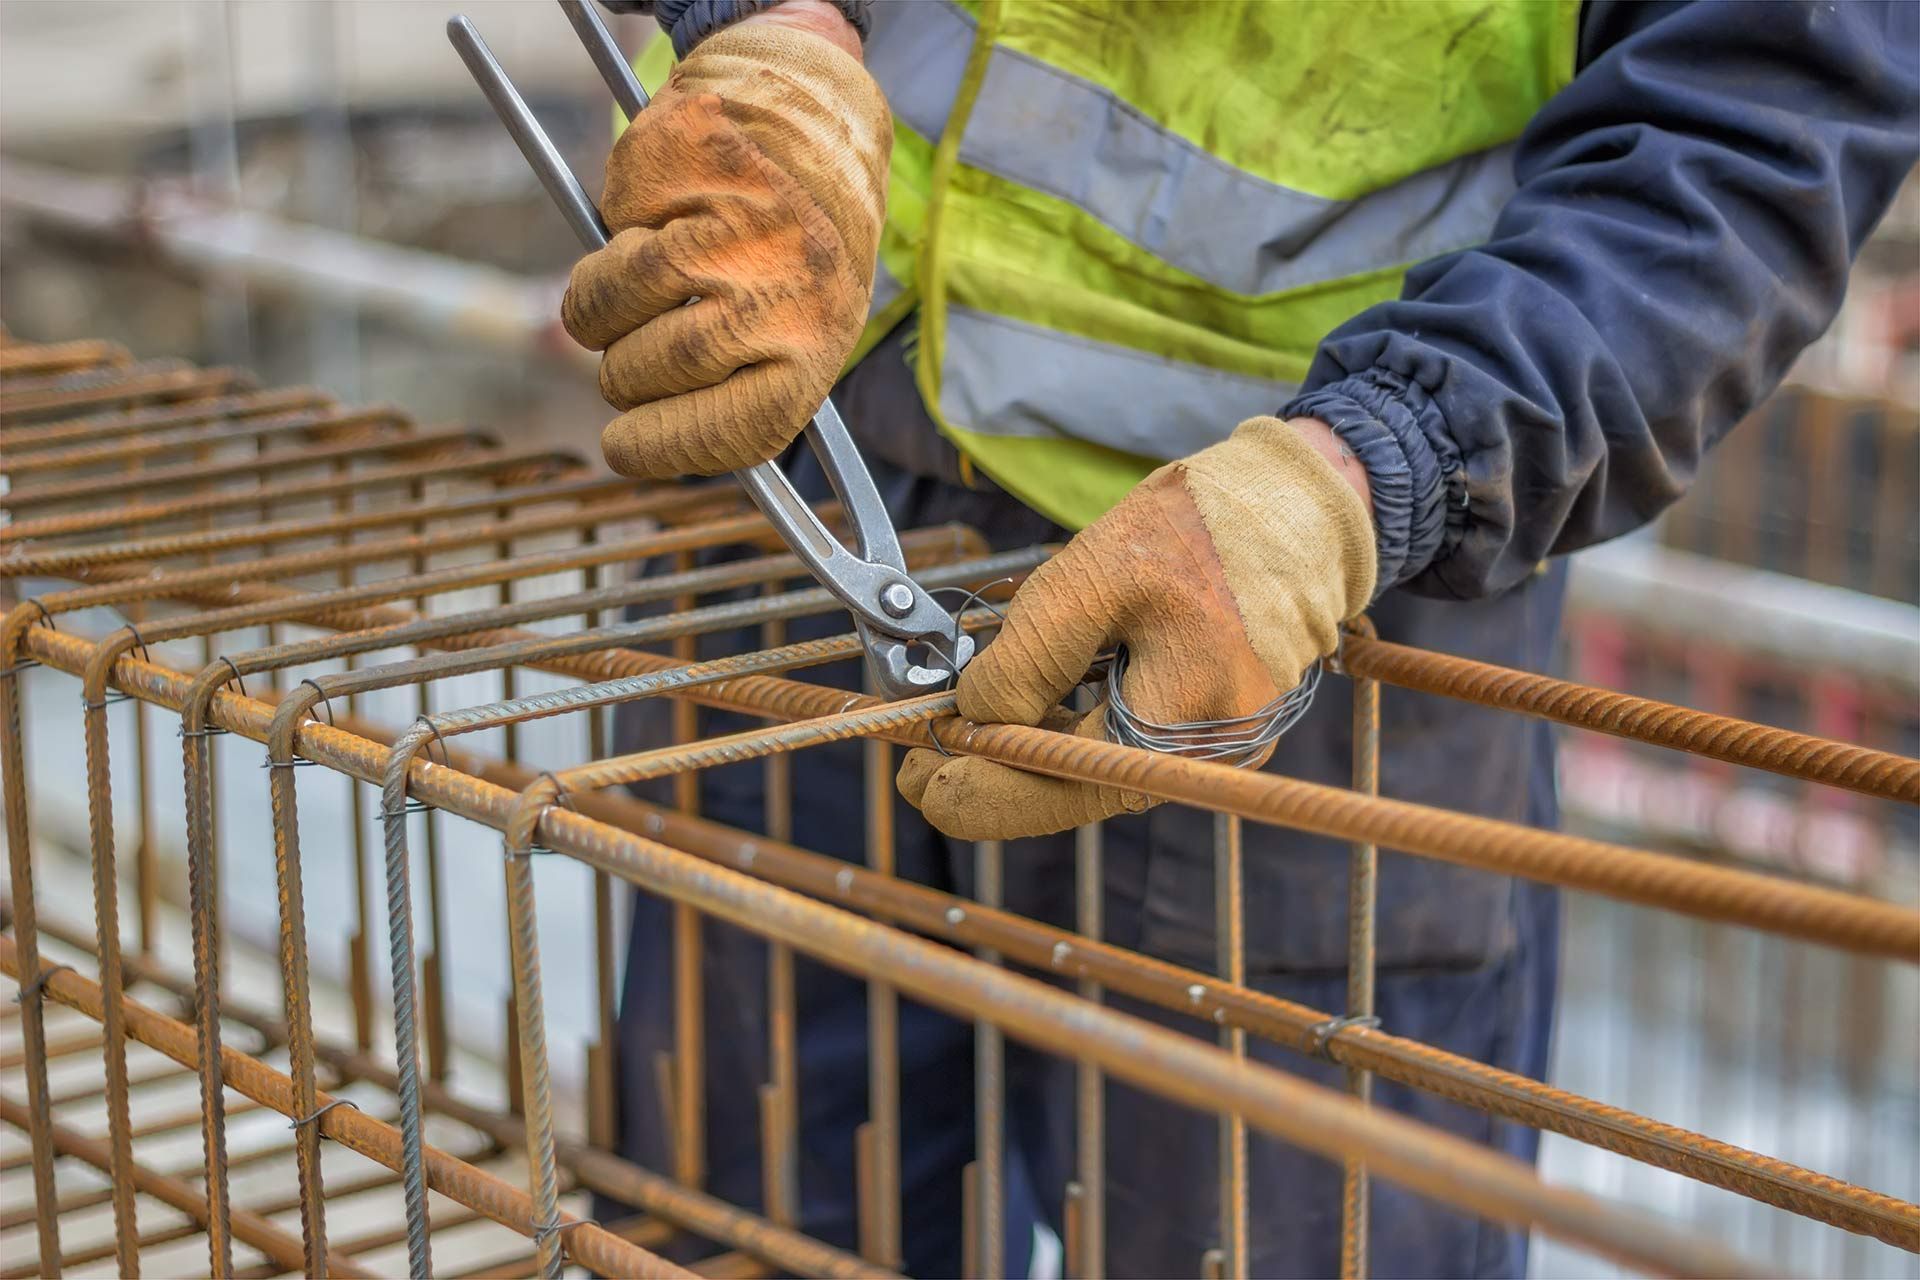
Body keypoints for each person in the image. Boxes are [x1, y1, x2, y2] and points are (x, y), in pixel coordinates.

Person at [576, 2, 1919, 1274]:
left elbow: (1748, 128)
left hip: (1308, 580)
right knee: (728, 1225)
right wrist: (758, 34)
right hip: (790, 446)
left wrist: (1383, 466)